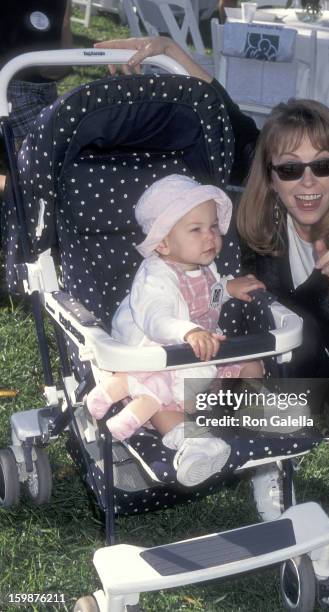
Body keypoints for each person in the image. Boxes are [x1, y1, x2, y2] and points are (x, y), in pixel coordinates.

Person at [93, 37, 329, 496]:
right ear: (270, 176)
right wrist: (171, 52)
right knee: (201, 395)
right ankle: (305, 419)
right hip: (293, 371)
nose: (307, 183)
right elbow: (232, 121)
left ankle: (322, 420)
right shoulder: (266, 217)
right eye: (290, 169)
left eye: (324, 166)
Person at [87, 174, 264, 488]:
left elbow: (206, 296)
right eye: (196, 229)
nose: (210, 236)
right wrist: (188, 331)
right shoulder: (154, 276)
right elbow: (157, 317)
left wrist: (227, 288)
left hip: (202, 353)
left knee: (252, 365)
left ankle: (239, 413)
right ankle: (192, 444)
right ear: (163, 242)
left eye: (212, 227)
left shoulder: (204, 266)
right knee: (160, 403)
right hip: (162, 356)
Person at [0, 0, 72, 192]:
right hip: (10, 85)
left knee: (58, 156)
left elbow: (59, 67)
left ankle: (18, 185)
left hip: (43, 88)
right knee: (41, 169)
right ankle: (15, 187)